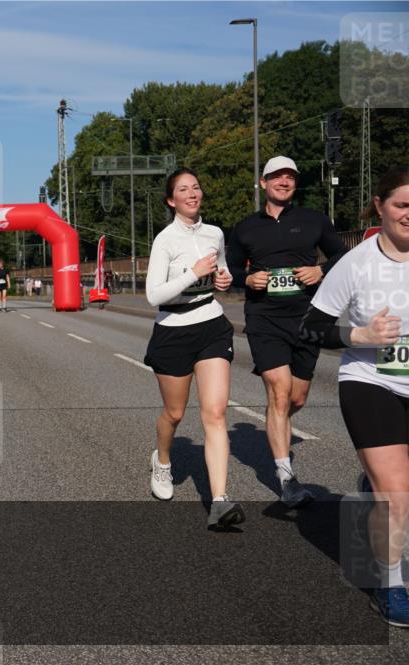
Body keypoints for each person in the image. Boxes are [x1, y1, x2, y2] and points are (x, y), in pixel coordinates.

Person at [299, 166, 409, 626]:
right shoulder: (357, 263)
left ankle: (372, 485)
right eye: (403, 205)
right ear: (380, 206)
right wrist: (360, 333)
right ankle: (390, 584)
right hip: (372, 381)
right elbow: (312, 327)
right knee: (396, 495)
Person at [226, 155, 347, 508]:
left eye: (290, 177)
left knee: (296, 398)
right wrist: (247, 278)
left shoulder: (314, 220)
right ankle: (286, 478)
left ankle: (275, 422)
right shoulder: (246, 227)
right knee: (279, 392)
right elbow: (231, 270)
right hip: (265, 318)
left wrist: (321, 271)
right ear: (263, 183)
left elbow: (342, 255)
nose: (284, 181)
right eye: (276, 176)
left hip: (309, 318)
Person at [144, 168, 239, 528]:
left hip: (211, 325)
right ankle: (163, 462)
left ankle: (219, 501)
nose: (192, 193)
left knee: (215, 413)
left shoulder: (215, 233)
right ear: (171, 200)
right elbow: (155, 295)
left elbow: (222, 273)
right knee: (175, 414)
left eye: (196, 186)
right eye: (183, 189)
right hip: (173, 331)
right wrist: (191, 272)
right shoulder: (165, 240)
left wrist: (223, 279)